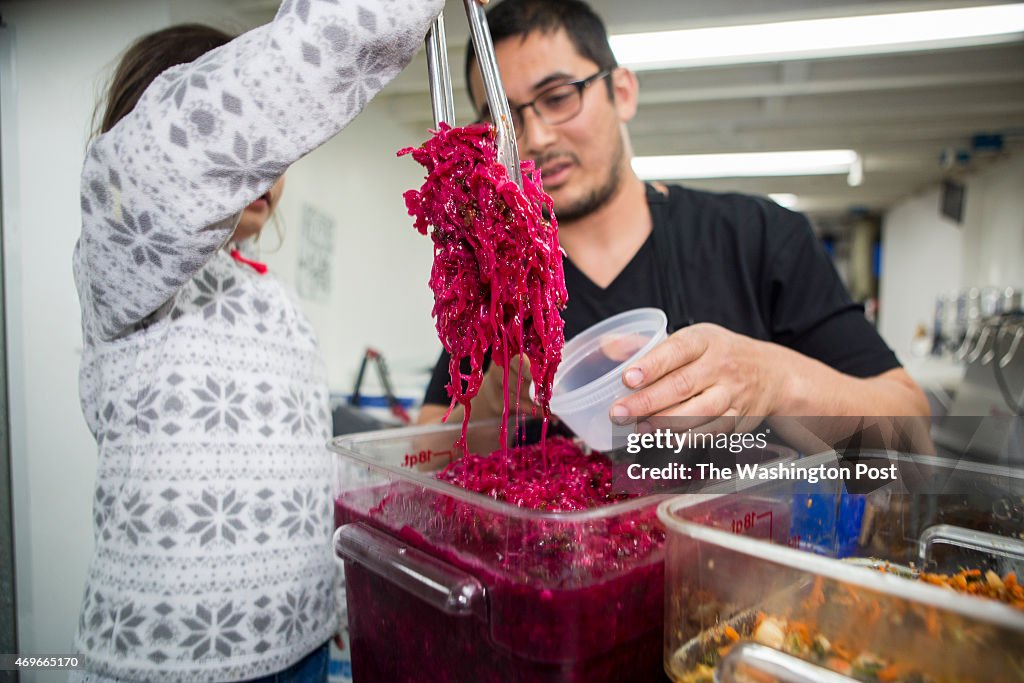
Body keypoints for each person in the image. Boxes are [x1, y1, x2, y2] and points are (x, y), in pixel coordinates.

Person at [71, 2, 447, 681]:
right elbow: (192, 143)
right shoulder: (120, 270)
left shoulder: (275, 301)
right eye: (255, 145)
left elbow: (303, 474)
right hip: (170, 659)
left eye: (278, 152)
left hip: (302, 646)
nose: (266, 168)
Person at [417, 0, 929, 442]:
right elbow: (420, 448)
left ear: (622, 92)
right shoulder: (498, 280)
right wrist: (489, 405)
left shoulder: (760, 238)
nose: (537, 138)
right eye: (503, 118)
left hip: (740, 549)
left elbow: (913, 446)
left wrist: (775, 382)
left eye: (558, 97)